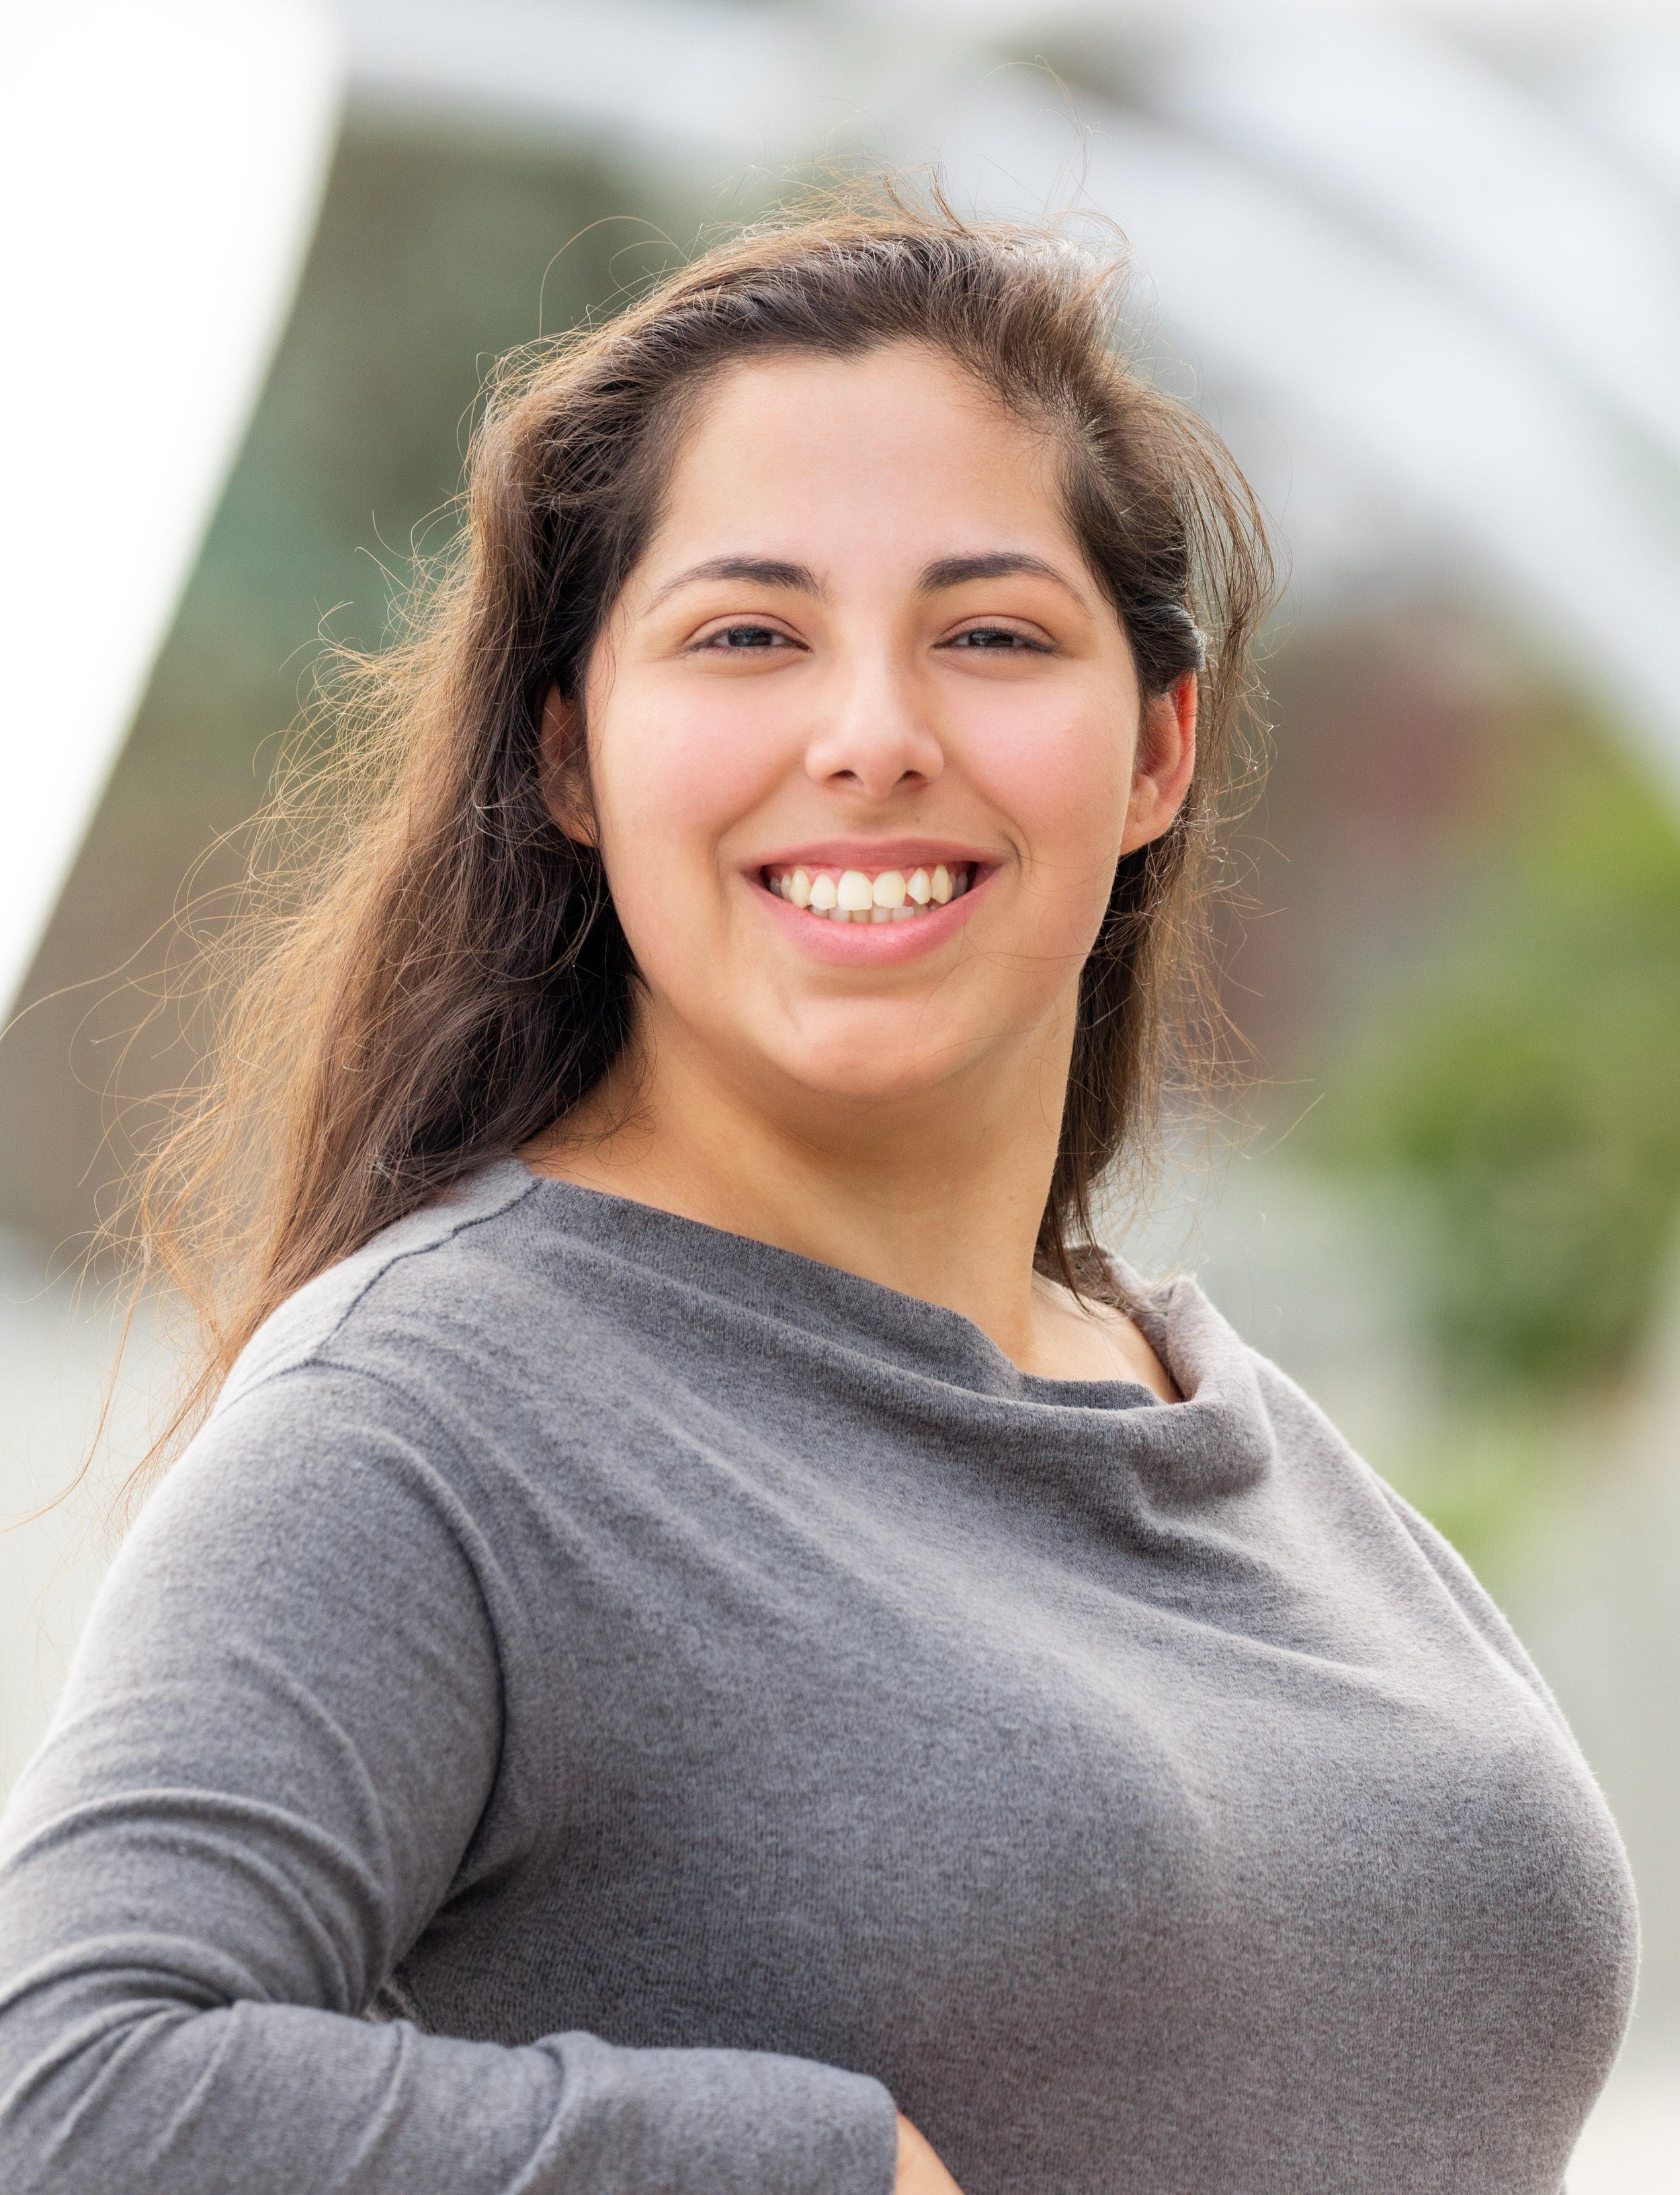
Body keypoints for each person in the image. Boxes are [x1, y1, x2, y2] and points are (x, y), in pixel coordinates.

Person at [0, 196, 1636, 2195]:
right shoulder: (435, 1418)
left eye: (994, 635)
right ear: (571, 755)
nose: (873, 735)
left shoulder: (1217, 1421)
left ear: (1155, 752)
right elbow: (66, 2093)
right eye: (747, 634)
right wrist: (810, 2169)